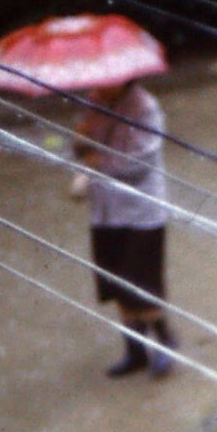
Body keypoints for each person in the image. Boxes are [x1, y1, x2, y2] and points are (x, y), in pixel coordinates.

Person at [68, 78, 178, 378]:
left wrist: (95, 162)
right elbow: (83, 146)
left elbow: (138, 164)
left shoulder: (146, 108)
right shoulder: (95, 101)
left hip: (140, 211)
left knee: (141, 283)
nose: (101, 85)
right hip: (105, 211)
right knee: (115, 282)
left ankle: (165, 340)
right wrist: (80, 143)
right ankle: (135, 350)